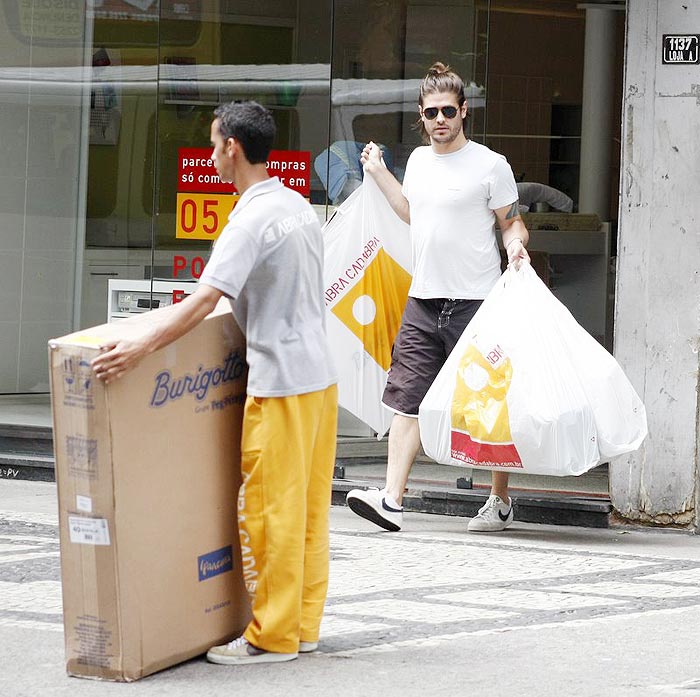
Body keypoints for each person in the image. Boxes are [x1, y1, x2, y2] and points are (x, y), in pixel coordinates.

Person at [91, 101, 338, 665]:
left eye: (212, 144)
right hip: (320, 379)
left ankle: (270, 636)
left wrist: (135, 347)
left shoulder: (248, 220)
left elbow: (205, 300)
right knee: (306, 510)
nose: (209, 155)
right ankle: (302, 625)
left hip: (279, 383)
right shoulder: (296, 206)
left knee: (270, 509)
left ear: (232, 147)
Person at [346, 63, 530, 534]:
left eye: (449, 110)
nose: (440, 119)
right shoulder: (420, 164)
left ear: (464, 111)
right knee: (405, 399)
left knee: (487, 403)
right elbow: (413, 213)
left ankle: (499, 499)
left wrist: (514, 246)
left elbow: (511, 221)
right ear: (421, 116)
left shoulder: (491, 165)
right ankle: (392, 499)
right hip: (424, 301)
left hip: (476, 303)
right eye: (432, 112)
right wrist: (380, 173)